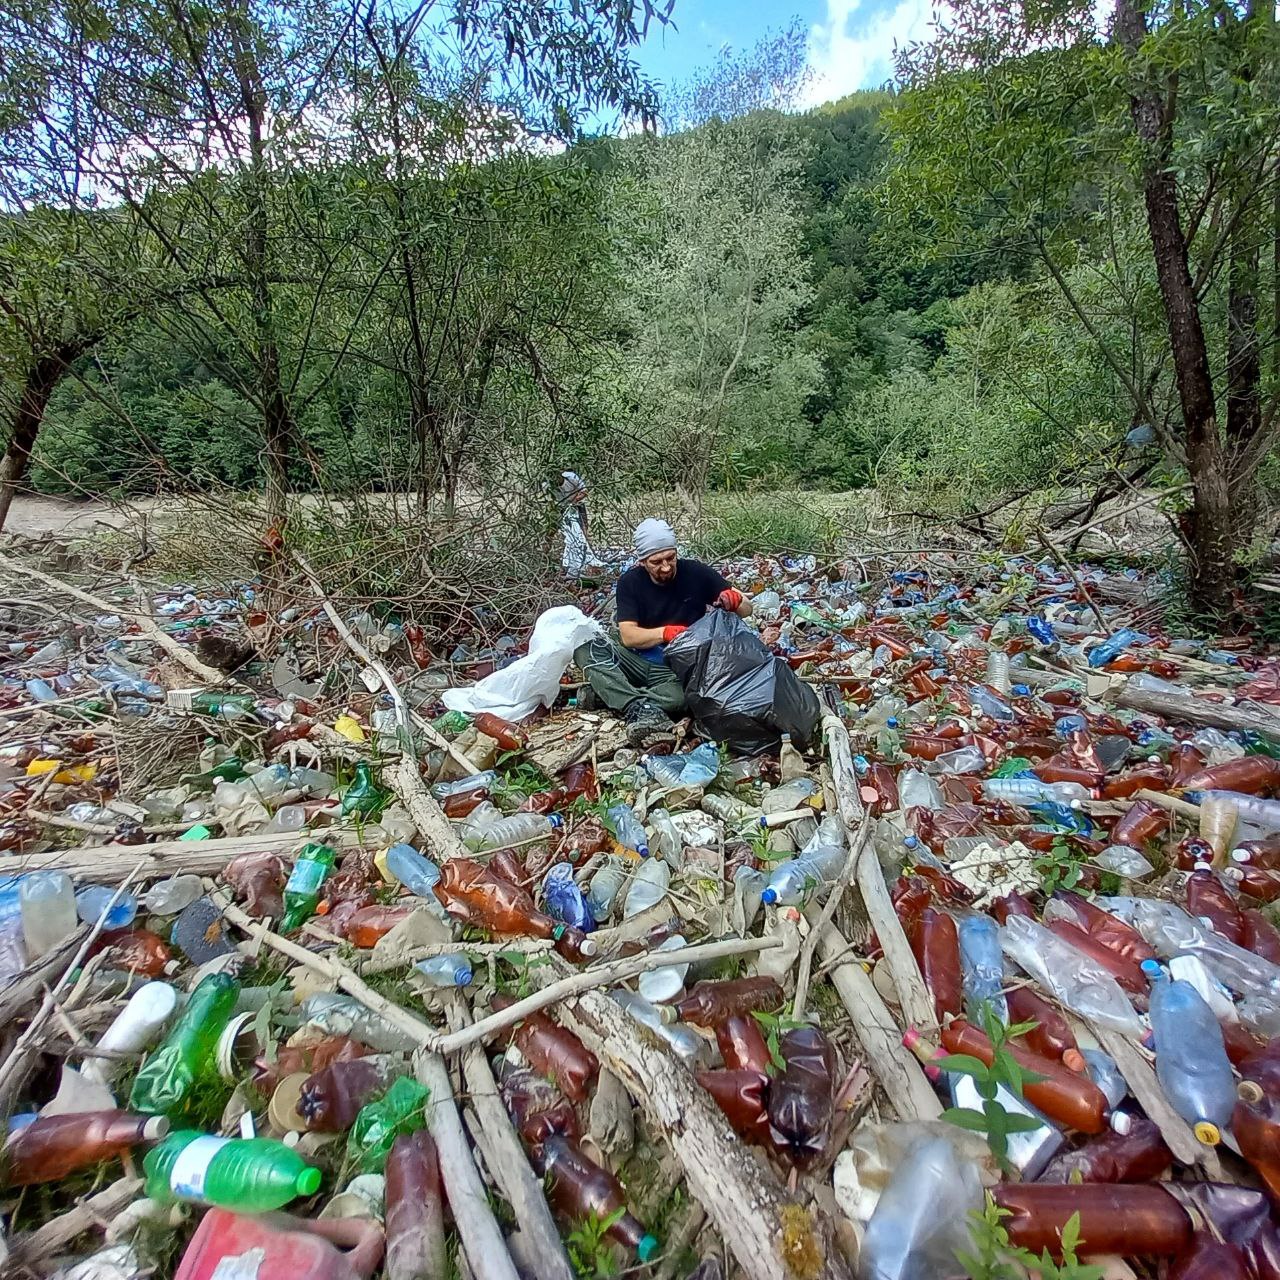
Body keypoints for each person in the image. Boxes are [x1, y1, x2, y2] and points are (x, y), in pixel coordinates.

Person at [574, 517, 752, 749]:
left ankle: (612, 696)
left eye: (671, 558)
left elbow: (747, 609)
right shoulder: (630, 582)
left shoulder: (695, 573)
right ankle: (636, 705)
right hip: (638, 658)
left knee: (681, 700)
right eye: (656, 562)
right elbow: (628, 636)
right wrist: (665, 633)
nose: (666, 567)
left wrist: (736, 600)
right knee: (587, 650)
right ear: (642, 562)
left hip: (677, 669)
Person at [556, 470, 601, 581]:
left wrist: (574, 500)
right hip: (560, 509)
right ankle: (565, 565)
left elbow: (585, 491)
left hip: (576, 507)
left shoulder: (571, 477)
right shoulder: (547, 485)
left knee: (582, 534)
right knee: (566, 537)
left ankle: (586, 564)